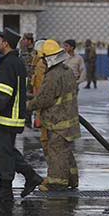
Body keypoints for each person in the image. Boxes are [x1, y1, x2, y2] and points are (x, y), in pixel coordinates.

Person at [0, 28, 43, 203]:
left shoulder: (8, 64)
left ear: (6, 43)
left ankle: (6, 190)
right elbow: (7, 91)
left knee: (3, 153)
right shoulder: (15, 62)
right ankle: (30, 177)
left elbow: (4, 95)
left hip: (6, 117)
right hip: (12, 117)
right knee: (8, 151)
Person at [27, 40, 81, 191]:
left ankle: (56, 183)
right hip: (68, 121)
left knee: (56, 152)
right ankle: (72, 179)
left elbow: (43, 98)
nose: (42, 61)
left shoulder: (52, 76)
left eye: (43, 58)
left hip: (57, 122)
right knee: (65, 152)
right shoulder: (67, 71)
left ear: (49, 58)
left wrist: (27, 107)